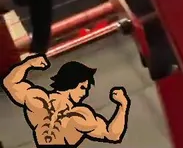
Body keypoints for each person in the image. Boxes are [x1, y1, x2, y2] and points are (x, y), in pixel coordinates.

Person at [2, 54, 130, 144]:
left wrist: (28, 64)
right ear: (72, 82)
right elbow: (113, 134)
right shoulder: (80, 116)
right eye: (83, 87)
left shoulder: (37, 99)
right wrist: (123, 105)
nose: (84, 93)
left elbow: (10, 82)